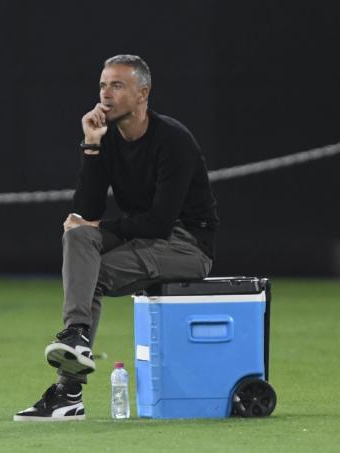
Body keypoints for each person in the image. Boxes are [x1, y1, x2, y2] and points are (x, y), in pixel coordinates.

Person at [14, 54, 219, 421]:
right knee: (78, 239)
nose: (106, 94)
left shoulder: (173, 140)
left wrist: (97, 228)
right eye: (103, 85)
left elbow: (159, 222)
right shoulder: (107, 138)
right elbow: (86, 212)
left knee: (92, 271)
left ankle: (67, 393)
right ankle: (76, 335)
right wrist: (91, 145)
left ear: (144, 93)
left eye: (117, 85)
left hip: (186, 245)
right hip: (143, 237)